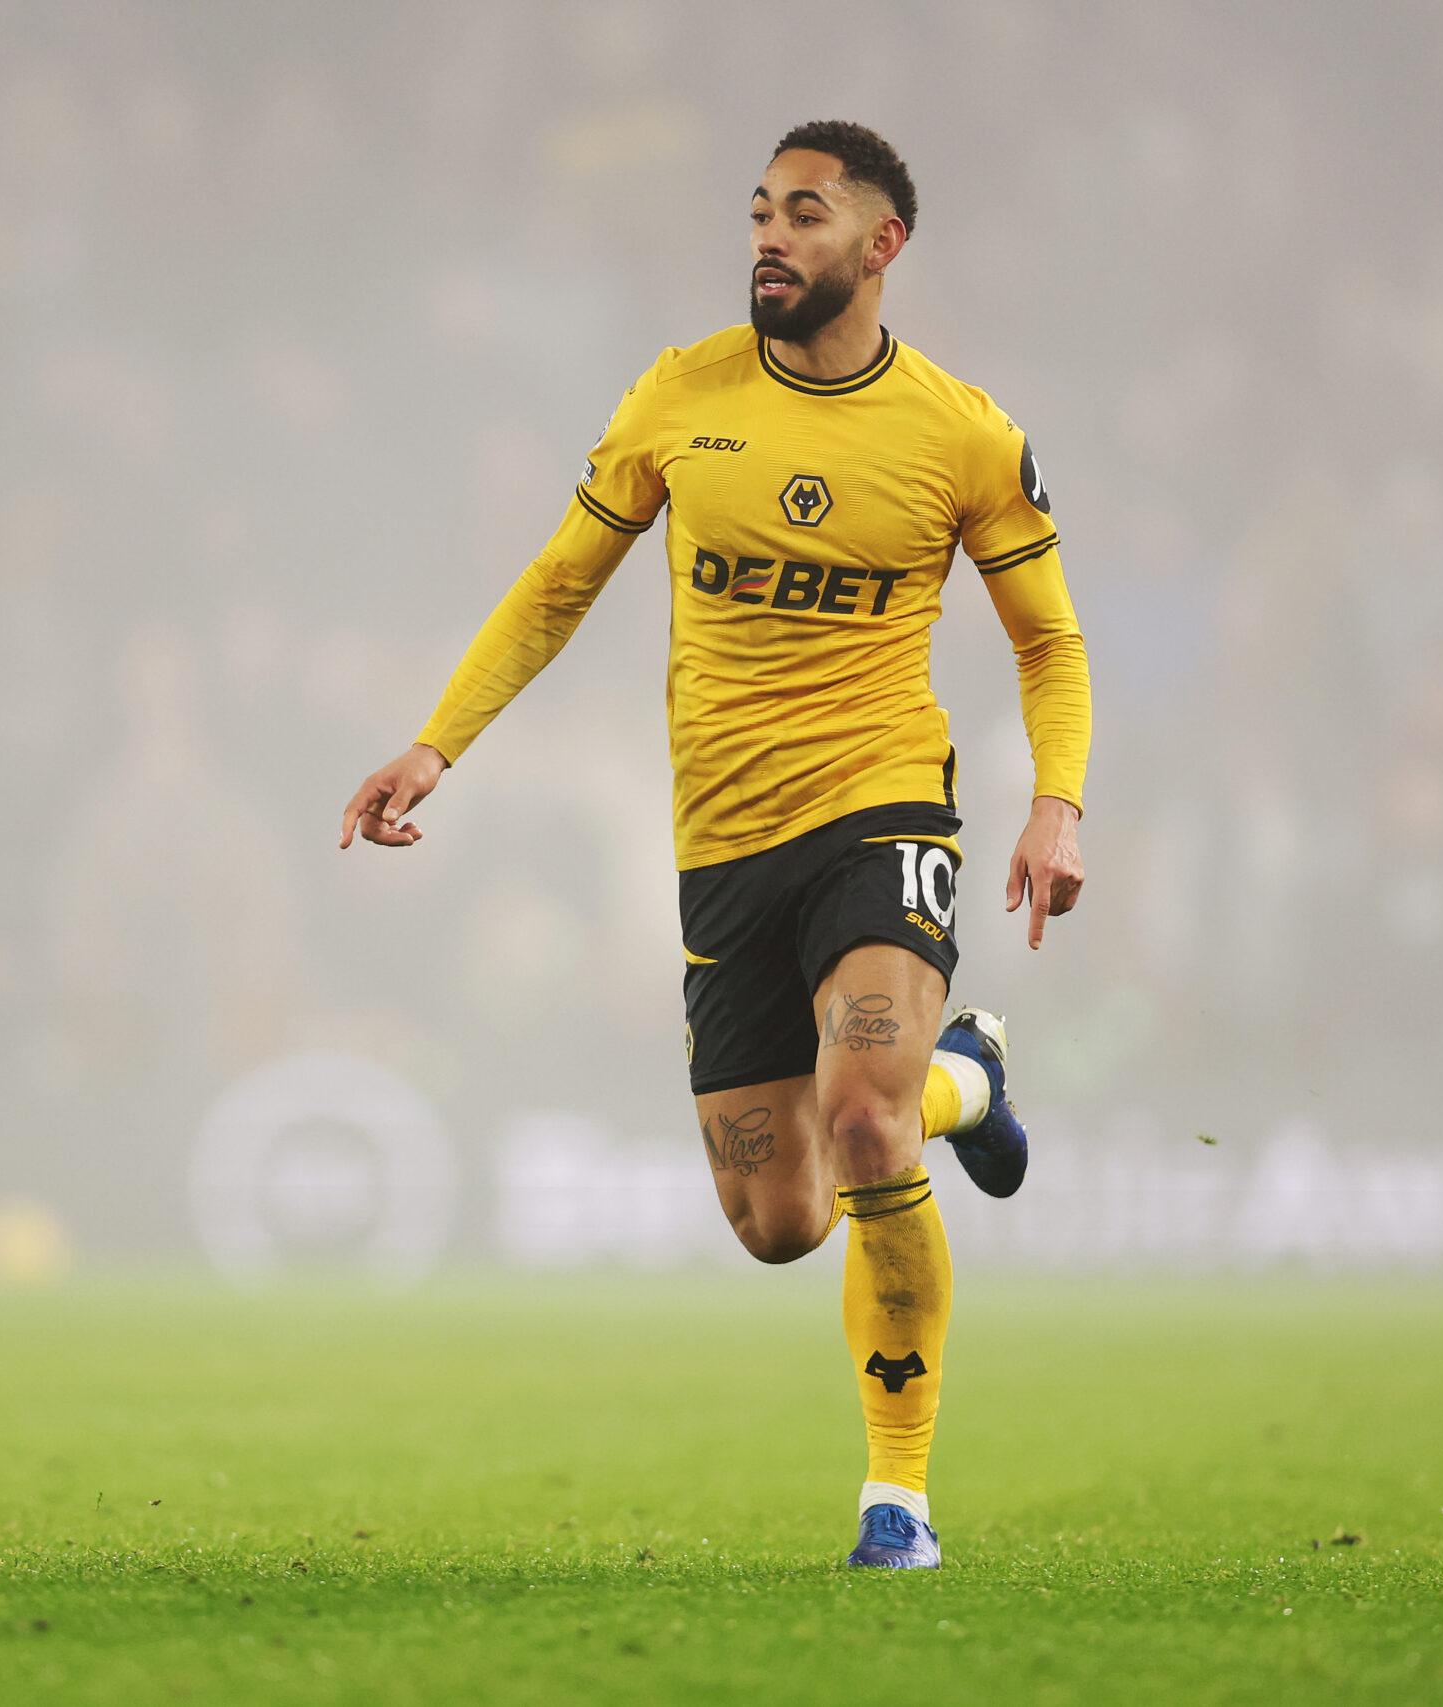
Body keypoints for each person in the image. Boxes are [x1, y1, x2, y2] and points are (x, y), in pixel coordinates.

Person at [340, 120, 1091, 1569]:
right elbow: (558, 585)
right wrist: (437, 743)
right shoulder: (680, 396)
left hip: (880, 808)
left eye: (805, 215)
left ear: (882, 243)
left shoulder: (963, 435)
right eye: (759, 213)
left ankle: (897, 1503)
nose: (770, 238)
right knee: (779, 1219)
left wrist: (1056, 799)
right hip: (724, 843)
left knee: (861, 1120)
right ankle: (969, 1080)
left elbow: (1048, 642)